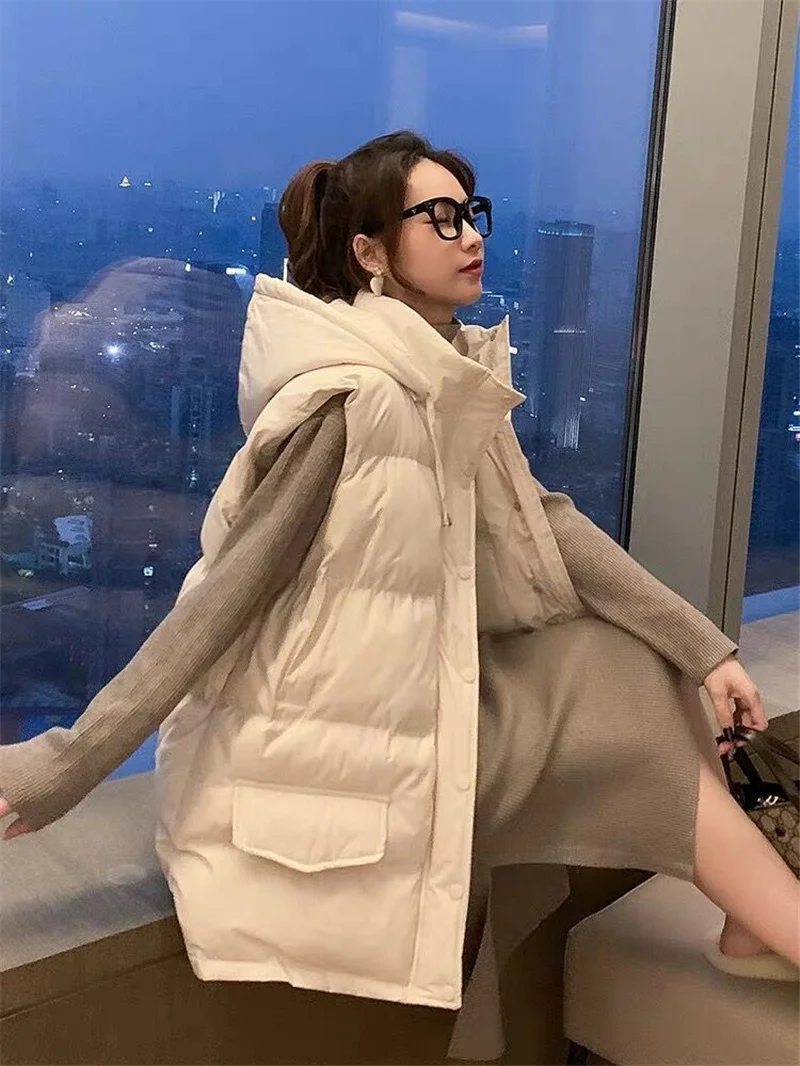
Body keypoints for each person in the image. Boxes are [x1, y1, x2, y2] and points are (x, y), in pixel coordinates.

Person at [1, 131, 797, 1059]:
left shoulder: (438, 376)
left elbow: (546, 522)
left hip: (408, 694)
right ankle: (770, 917)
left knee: (624, 664)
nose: (473, 236)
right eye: (441, 218)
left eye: (472, 214)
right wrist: (63, 767)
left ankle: (755, 919)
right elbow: (219, 605)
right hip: (335, 733)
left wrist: (702, 649)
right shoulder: (356, 401)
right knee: (625, 710)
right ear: (370, 252)